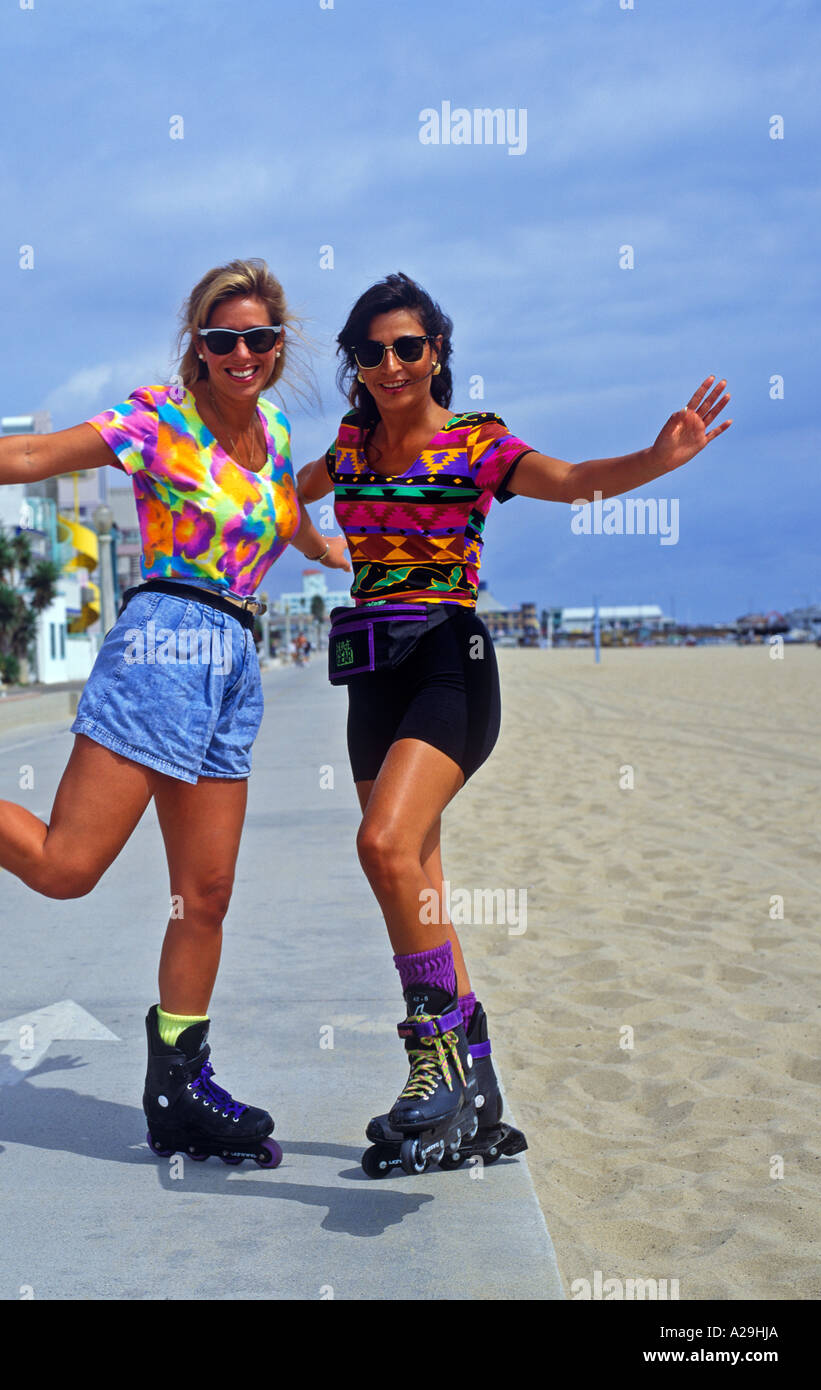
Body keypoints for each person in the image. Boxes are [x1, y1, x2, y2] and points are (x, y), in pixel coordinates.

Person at [0, 258, 350, 1168]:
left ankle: (178, 1090)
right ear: (198, 350)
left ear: (279, 346)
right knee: (66, 866)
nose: (241, 354)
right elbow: (27, 457)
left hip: (233, 665)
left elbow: (280, 512)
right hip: (164, 642)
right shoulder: (159, 419)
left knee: (205, 895)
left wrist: (330, 550)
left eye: (257, 338)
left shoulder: (278, 433)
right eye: (222, 339)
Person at [294, 272, 730, 1175]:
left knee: (383, 847)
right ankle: (477, 1096)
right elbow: (281, 496)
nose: (391, 363)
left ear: (437, 353)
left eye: (408, 346)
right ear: (357, 364)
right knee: (414, 875)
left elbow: (571, 482)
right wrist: (303, 538)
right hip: (369, 671)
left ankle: (436, 1064)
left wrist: (656, 460)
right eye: (373, 351)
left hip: (449, 662)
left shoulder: (478, 444)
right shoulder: (348, 446)